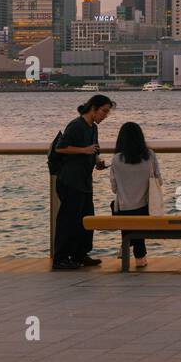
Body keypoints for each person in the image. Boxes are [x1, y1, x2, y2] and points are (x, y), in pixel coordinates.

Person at [51, 94, 114, 270]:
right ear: (93, 108)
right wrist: (84, 150)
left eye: (107, 112)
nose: (105, 116)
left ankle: (80, 253)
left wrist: (97, 162)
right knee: (68, 220)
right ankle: (61, 258)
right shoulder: (76, 125)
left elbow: (94, 150)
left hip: (85, 180)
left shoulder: (93, 128)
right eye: (104, 111)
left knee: (86, 218)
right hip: (70, 180)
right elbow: (60, 147)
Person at [110, 121, 163, 270]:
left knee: (118, 206)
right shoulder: (150, 155)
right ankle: (139, 256)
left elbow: (114, 188)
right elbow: (159, 181)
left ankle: (127, 245)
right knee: (139, 215)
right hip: (146, 209)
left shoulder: (116, 159)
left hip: (123, 211)